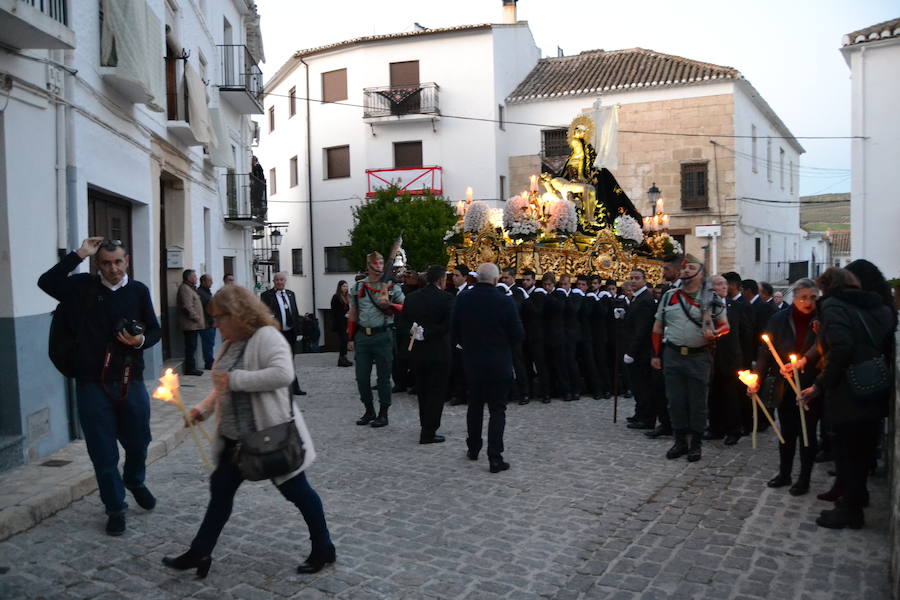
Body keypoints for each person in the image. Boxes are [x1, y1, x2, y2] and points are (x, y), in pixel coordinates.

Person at [164, 285, 333, 577]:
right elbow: (222, 385)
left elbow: (283, 374)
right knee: (220, 494)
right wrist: (202, 410)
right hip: (233, 440)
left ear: (237, 314)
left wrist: (237, 380)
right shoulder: (230, 343)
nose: (215, 325)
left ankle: (323, 547)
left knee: (298, 492)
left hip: (268, 437)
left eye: (219, 318)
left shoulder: (266, 336)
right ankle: (200, 552)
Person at [38, 237, 161, 536]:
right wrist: (79, 253)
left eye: (118, 262)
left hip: (130, 381)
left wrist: (140, 341)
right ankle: (115, 507)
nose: (113, 269)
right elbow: (47, 282)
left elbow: (155, 330)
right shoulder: (82, 287)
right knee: (103, 452)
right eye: (106, 263)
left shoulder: (138, 291)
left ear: (127, 261)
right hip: (92, 385)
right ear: (97, 264)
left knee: (139, 442)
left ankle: (133, 479)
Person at [800, 266, 894, 529]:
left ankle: (850, 511)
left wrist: (820, 384)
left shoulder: (833, 306)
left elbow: (841, 347)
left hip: (848, 389)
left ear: (827, 287)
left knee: (847, 450)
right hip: (875, 384)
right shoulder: (880, 307)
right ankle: (859, 496)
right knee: (863, 448)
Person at [651, 255, 729, 462]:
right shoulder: (670, 296)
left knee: (697, 402)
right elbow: (658, 328)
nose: (685, 271)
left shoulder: (711, 297)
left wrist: (715, 333)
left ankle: (695, 444)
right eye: (683, 268)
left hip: (699, 356)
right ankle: (679, 441)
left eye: (691, 268)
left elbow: (725, 325)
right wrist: (656, 354)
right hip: (673, 355)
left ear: (701, 272)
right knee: (675, 401)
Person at [750, 278, 820, 496]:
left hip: (812, 384)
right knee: (786, 430)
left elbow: (825, 347)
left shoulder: (822, 319)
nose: (808, 302)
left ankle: (804, 478)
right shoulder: (779, 319)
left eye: (812, 297)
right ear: (794, 298)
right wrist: (756, 378)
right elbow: (765, 351)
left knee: (807, 432)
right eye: (803, 298)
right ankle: (785, 473)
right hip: (785, 383)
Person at [452, 263, 524, 473]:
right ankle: (495, 457)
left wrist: (467, 346)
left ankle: (473, 448)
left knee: (474, 406)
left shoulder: (464, 299)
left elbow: (454, 329)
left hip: (473, 361)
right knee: (497, 409)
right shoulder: (505, 301)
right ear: (495, 280)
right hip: (499, 362)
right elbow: (518, 334)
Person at [348, 251, 405, 427]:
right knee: (362, 377)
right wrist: (350, 337)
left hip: (383, 335)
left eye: (381, 261)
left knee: (383, 378)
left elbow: (404, 307)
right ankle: (369, 410)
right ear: (369, 265)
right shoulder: (358, 287)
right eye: (376, 262)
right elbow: (353, 313)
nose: (379, 265)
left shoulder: (392, 286)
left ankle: (383, 413)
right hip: (363, 336)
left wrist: (390, 305)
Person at [403, 265, 454, 444]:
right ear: (441, 280)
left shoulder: (411, 298)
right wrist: (428, 333)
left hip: (418, 352)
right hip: (439, 352)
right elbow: (448, 325)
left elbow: (404, 322)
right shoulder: (447, 298)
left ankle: (425, 424)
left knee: (423, 391)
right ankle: (429, 431)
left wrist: (415, 332)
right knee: (437, 392)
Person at [706, 275, 745, 445]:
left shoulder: (737, 307)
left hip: (731, 359)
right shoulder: (706, 307)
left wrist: (746, 360)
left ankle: (733, 430)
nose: (724, 287)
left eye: (725, 284)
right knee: (713, 396)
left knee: (731, 397)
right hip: (710, 358)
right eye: (718, 284)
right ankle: (715, 428)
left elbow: (746, 334)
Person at [260, 273, 305, 396]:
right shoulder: (266, 295)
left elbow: (295, 313)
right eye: (277, 280)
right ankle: (284, 387)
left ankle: (293, 387)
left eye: (282, 280)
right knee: (279, 359)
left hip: (291, 332)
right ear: (274, 281)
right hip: (277, 333)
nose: (279, 282)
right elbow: (264, 314)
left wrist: (299, 330)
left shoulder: (290, 294)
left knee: (290, 359)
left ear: (285, 281)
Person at [624, 269, 656, 428]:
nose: (633, 281)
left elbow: (642, 329)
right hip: (636, 348)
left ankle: (647, 418)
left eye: (637, 278)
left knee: (643, 385)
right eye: (631, 278)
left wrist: (631, 352)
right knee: (637, 385)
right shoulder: (637, 298)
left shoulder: (645, 299)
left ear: (644, 279)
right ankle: (639, 413)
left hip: (641, 351)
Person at [498, 267, 529, 404]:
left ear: (513, 278)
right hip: (502, 333)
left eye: (506, 278)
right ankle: (508, 392)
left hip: (514, 333)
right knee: (504, 365)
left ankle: (524, 393)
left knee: (518, 364)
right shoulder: (499, 290)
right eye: (502, 278)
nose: (504, 280)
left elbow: (517, 307)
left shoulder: (518, 291)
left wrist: (508, 294)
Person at [521, 270, 550, 402]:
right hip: (525, 336)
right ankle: (528, 392)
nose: (525, 282)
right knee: (526, 366)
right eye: (524, 280)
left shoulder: (539, 293)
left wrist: (526, 299)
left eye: (528, 280)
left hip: (537, 336)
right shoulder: (522, 292)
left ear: (533, 281)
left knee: (541, 365)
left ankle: (546, 393)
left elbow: (536, 311)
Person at [178, 269, 205, 376]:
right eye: (194, 276)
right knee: (190, 347)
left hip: (193, 325)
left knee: (192, 347)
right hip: (190, 325)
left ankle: (192, 367)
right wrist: (196, 318)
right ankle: (190, 368)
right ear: (189, 278)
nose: (196, 278)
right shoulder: (185, 289)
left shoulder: (190, 288)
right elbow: (187, 306)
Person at [330, 280, 353, 367]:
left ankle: (344, 358)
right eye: (343, 286)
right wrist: (344, 315)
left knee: (345, 340)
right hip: (340, 323)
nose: (345, 288)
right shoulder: (336, 297)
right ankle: (341, 359)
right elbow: (335, 311)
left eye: (346, 286)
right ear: (340, 287)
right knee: (343, 341)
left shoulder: (347, 297)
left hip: (346, 322)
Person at [197, 274, 216, 370]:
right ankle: (209, 363)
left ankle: (210, 362)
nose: (211, 282)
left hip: (211, 323)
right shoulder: (200, 293)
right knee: (207, 345)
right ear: (203, 282)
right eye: (209, 280)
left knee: (210, 344)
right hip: (206, 324)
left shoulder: (207, 292)